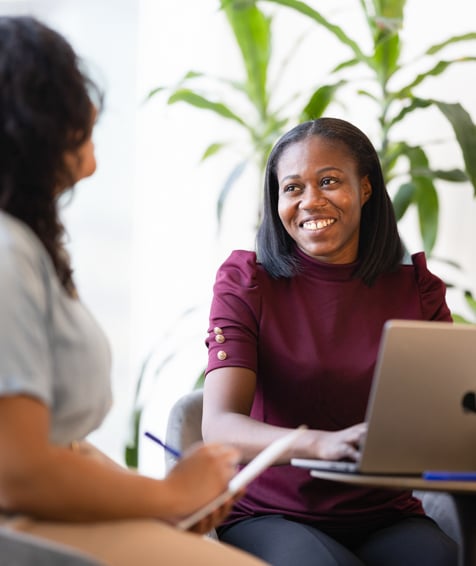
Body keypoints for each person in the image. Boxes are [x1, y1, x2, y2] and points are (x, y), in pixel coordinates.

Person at [0, 15, 267, 566]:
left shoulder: (23, 245)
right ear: (40, 119)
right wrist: (170, 494)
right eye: (78, 102)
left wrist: (160, 502)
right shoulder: (7, 252)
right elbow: (18, 469)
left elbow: (55, 449)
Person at [201, 117, 458, 566]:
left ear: (365, 189)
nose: (310, 201)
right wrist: (317, 444)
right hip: (269, 514)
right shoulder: (247, 284)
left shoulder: (417, 289)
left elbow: (449, 417)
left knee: (439, 557)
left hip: (385, 514)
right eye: (293, 187)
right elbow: (219, 426)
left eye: (329, 181)